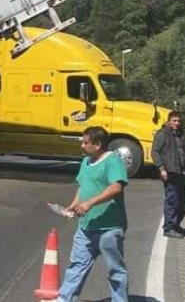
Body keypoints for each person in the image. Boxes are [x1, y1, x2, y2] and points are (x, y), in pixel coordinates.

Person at [53, 126, 129, 302]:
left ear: (98, 145)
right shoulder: (86, 161)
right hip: (86, 226)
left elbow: (116, 187)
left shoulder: (113, 161)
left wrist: (89, 203)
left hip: (109, 227)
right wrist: (75, 203)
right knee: (77, 265)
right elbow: (83, 185)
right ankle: (65, 298)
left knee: (115, 269)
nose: (82, 145)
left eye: (85, 142)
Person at [151, 110, 185, 238]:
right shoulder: (162, 134)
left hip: (182, 172)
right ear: (169, 121)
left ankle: (176, 224)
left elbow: (183, 152)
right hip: (170, 172)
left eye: (179, 121)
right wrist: (161, 168)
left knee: (183, 200)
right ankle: (169, 227)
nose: (177, 123)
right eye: (174, 121)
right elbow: (155, 152)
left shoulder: (180, 134)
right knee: (172, 200)